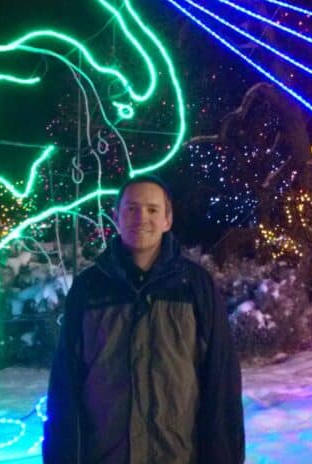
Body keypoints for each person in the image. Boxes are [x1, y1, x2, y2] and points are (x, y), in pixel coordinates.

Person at [43, 174, 245, 463]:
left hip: (178, 455)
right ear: (117, 216)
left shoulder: (195, 286)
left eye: (152, 209)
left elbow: (220, 380)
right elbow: (66, 383)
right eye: (132, 209)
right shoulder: (90, 289)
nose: (142, 218)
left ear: (167, 219)